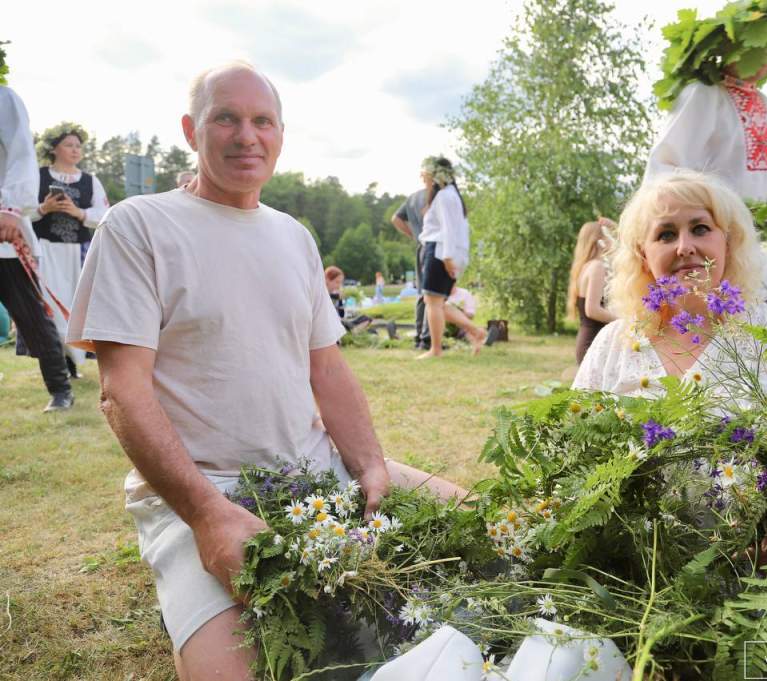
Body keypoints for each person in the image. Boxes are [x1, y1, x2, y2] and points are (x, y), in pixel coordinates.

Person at [66, 62, 460, 681]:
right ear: (191, 129)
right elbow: (122, 392)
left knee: (475, 529)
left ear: (280, 134)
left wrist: (371, 465)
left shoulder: (293, 236)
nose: (247, 135)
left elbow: (326, 370)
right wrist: (206, 517)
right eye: (226, 117)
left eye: (262, 121)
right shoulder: (139, 224)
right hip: (201, 492)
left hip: (315, 467)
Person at [573, 171, 767, 401]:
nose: (684, 247)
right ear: (643, 256)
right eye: (666, 235)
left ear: (728, 242)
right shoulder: (614, 344)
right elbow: (574, 438)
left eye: (700, 229)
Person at [0, 82, 74, 411]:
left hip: (3, 229)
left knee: (30, 314)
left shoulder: (4, 98)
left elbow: (20, 154)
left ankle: (60, 389)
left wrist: (11, 208)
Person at [28, 122, 109, 378]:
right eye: (69, 145)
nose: (75, 150)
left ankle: (74, 362)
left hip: (79, 252)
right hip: (45, 250)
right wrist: (43, 209)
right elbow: (18, 212)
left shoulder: (90, 180)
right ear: (54, 148)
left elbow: (105, 215)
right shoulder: (37, 176)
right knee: (49, 306)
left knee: (76, 306)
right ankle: (57, 366)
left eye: (78, 146)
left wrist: (79, 212)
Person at [645, 53, 767, 203]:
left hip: (762, 223)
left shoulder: (766, 103)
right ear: (727, 44)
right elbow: (664, 166)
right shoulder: (702, 93)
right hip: (713, 220)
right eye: (759, 46)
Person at [416, 156, 487, 358]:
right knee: (438, 303)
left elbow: (448, 230)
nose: (422, 177)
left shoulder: (445, 197)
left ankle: (435, 349)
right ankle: (476, 331)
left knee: (432, 302)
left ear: (435, 174)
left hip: (439, 252)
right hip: (445, 252)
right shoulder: (451, 195)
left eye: (425, 172)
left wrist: (447, 258)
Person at [568, 218, 616, 365]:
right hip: (593, 344)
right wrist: (624, 320)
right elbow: (592, 310)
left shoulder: (586, 266)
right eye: (608, 235)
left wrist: (614, 227)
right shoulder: (597, 267)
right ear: (599, 240)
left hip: (589, 341)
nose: (611, 240)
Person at [391, 180, 429, 348]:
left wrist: (413, 235)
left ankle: (419, 336)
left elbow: (395, 219)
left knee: (422, 293)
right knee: (432, 294)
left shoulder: (412, 198)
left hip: (421, 246)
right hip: (433, 246)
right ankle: (428, 338)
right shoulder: (434, 196)